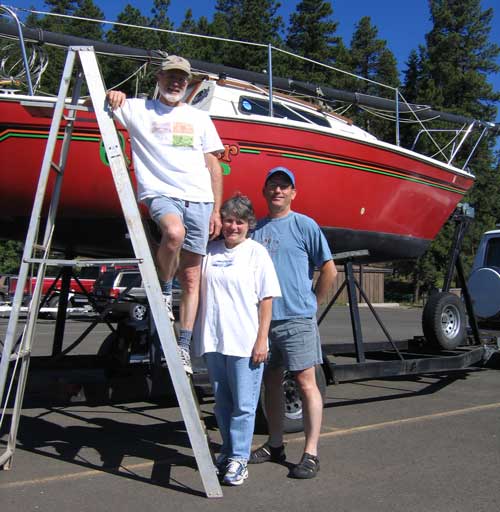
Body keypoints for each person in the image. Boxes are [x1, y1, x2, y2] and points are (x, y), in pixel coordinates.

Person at [105, 55, 224, 374]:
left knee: (193, 278)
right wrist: (109, 96)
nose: (176, 83)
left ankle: (183, 346)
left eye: (182, 79)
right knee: (173, 234)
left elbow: (213, 165)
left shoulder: (199, 118)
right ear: (158, 78)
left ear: (188, 84)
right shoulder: (138, 108)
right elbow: (94, 103)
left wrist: (216, 208)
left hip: (199, 199)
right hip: (161, 193)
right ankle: (163, 287)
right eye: (171, 76)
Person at [250, 166, 337, 479]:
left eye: (284, 187)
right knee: (270, 382)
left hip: (297, 318)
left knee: (305, 382)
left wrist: (312, 302)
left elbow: (329, 270)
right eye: (272, 185)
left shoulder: (305, 225)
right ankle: (275, 444)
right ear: (264, 192)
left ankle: (311, 453)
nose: (278, 191)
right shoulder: (255, 231)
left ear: (293, 193)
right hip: (264, 322)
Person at [193, 194, 281, 486]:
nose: (233, 226)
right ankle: (228, 452)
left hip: (245, 342)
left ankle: (240, 460)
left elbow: (266, 300)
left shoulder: (257, 253)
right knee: (222, 403)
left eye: (239, 222)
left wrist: (262, 340)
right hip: (215, 340)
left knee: (244, 405)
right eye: (229, 220)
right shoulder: (211, 252)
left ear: (249, 225)